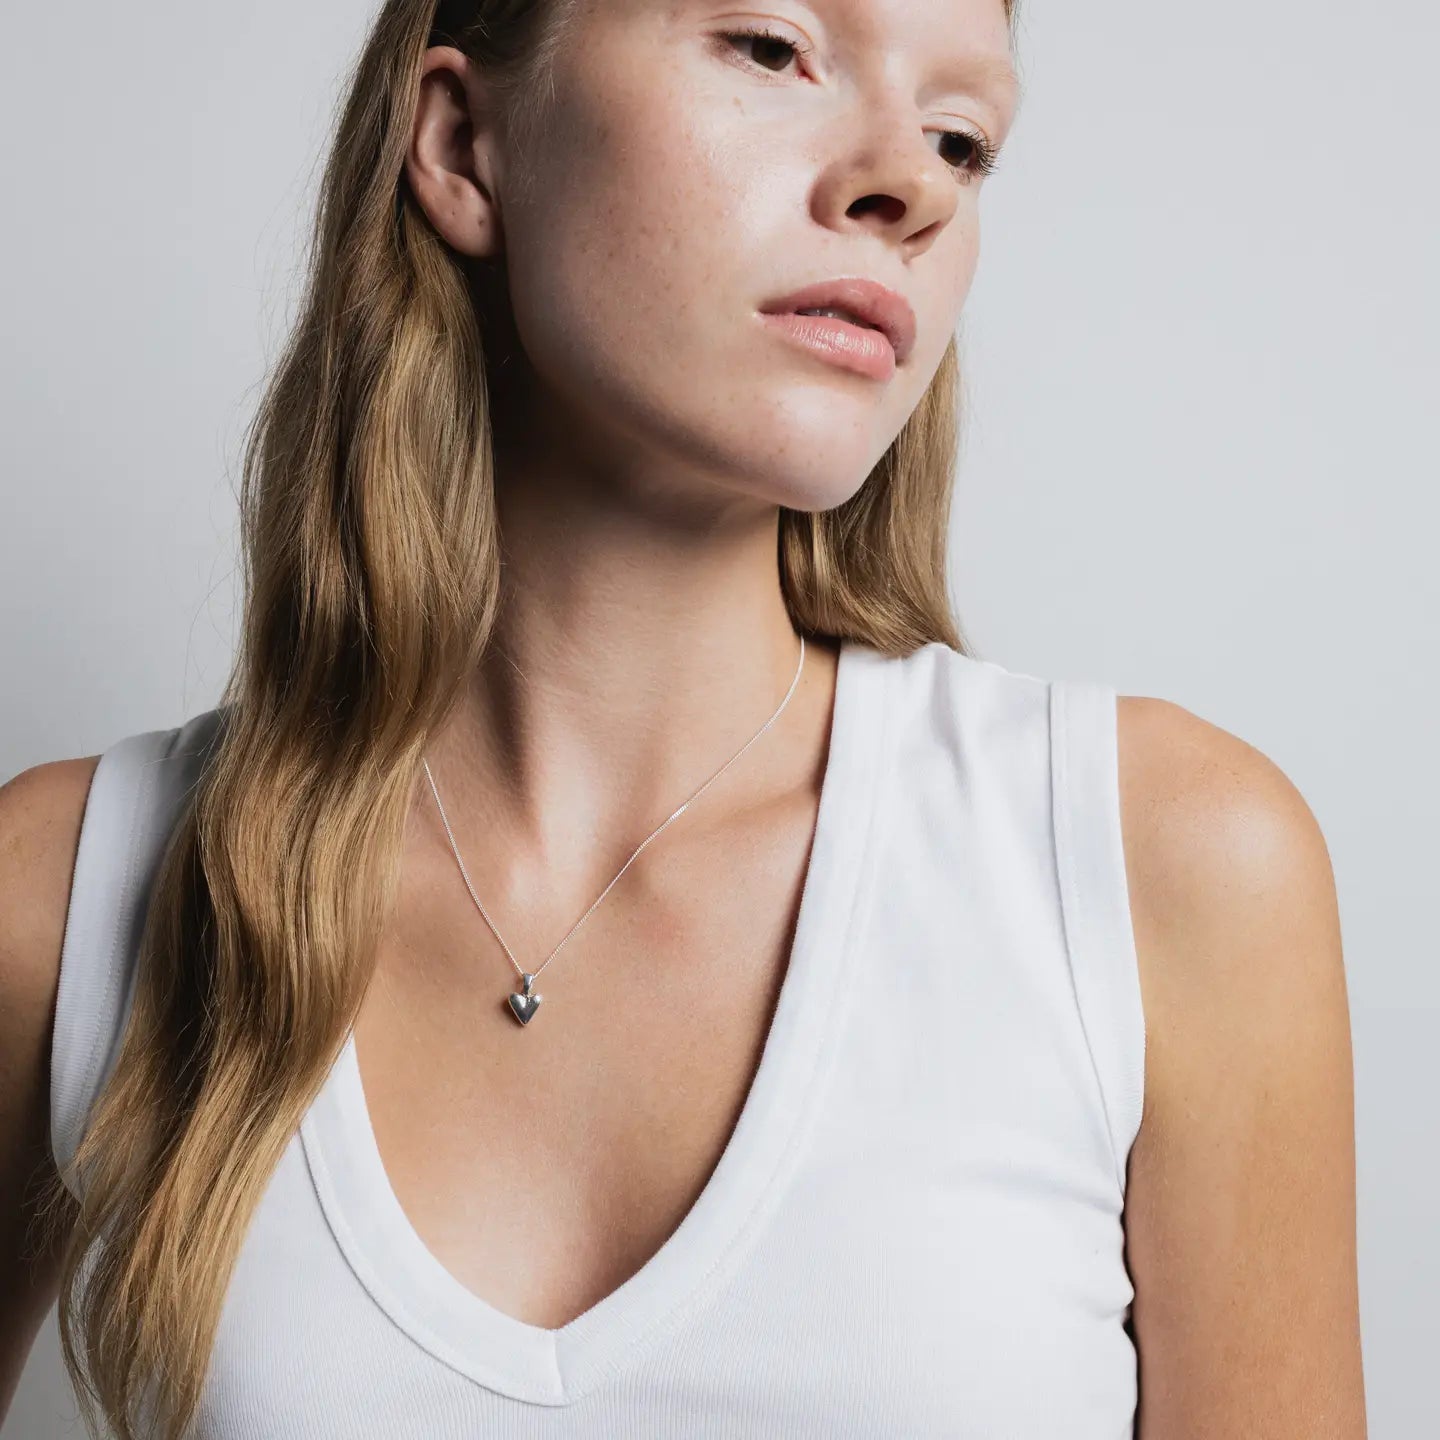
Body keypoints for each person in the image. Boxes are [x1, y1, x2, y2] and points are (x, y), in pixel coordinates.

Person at [0, 0, 1366, 1436]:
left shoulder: (1157, 870)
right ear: (464, 143)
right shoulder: (67, 896)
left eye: (964, 140)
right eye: (773, 49)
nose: (905, 183)